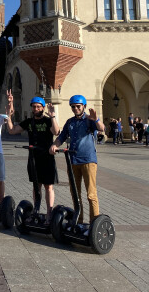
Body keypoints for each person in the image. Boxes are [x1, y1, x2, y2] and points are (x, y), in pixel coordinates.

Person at [49, 95, 105, 233]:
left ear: (83, 106)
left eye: (78, 106)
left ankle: (94, 224)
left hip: (88, 160)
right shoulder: (70, 122)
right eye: (73, 106)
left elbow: (101, 128)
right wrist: (54, 145)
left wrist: (96, 119)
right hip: (73, 161)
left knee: (91, 194)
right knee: (75, 193)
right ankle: (78, 221)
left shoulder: (89, 120)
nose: (75, 109)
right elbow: (61, 137)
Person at [6, 93, 59, 224]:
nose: (36, 109)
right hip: (34, 158)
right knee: (36, 187)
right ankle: (35, 211)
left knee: (48, 186)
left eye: (38, 107)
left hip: (47, 158)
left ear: (43, 108)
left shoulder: (48, 121)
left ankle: (49, 214)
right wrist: (8, 115)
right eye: (34, 107)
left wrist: (52, 116)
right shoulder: (29, 122)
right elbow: (12, 130)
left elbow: (56, 131)